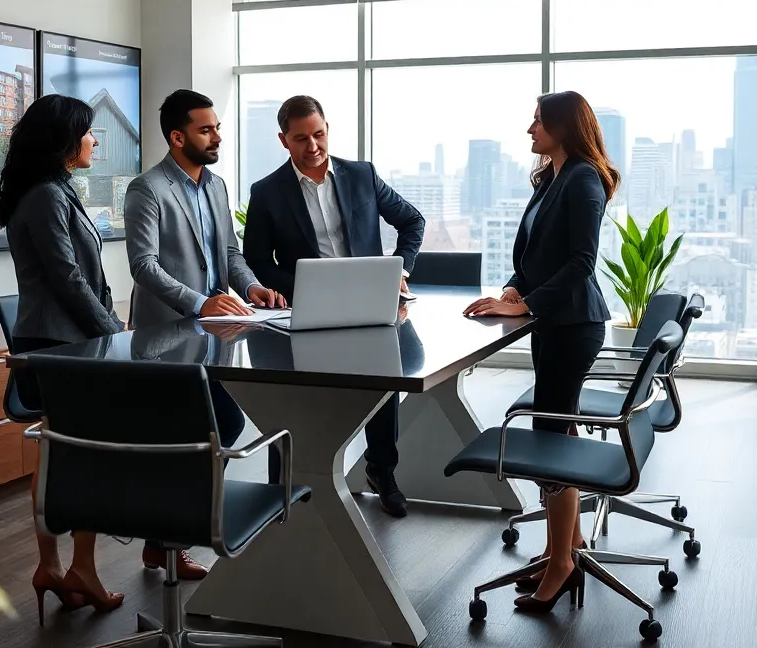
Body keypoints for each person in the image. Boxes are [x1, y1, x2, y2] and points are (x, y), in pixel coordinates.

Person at [464, 90, 619, 615]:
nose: (529, 129)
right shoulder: (553, 177)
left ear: (563, 126)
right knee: (557, 434)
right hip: (554, 324)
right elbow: (537, 254)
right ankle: (565, 547)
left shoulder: (583, 179)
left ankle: (561, 565)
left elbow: (580, 264)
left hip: (573, 325)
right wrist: (515, 288)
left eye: (537, 121)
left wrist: (526, 304)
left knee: (550, 441)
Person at [124, 88, 285, 579]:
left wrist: (252, 287)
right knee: (194, 436)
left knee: (222, 428)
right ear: (177, 137)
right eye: (206, 129)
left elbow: (229, 253)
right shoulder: (147, 189)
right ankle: (168, 540)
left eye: (217, 127)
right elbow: (143, 265)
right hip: (167, 339)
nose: (217, 136)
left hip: (216, 337)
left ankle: (166, 539)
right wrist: (200, 302)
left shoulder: (215, 186)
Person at [242, 94, 425, 517]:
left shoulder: (362, 175)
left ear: (327, 129)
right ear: (283, 140)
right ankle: (281, 487)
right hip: (308, 310)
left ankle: (382, 472)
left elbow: (412, 220)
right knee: (292, 398)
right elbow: (256, 260)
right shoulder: (267, 192)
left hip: (370, 304)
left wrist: (402, 269)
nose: (313, 146)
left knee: (384, 386)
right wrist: (302, 287)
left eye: (319, 134)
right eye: (301, 138)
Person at [0, 93, 125, 622]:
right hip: (61, 345)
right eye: (88, 132)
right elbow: (68, 279)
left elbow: (79, 277)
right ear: (65, 141)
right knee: (82, 454)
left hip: (59, 342)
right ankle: (79, 569)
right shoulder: (47, 195)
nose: (94, 140)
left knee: (57, 453)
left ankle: (55, 567)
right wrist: (114, 332)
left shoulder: (53, 191)